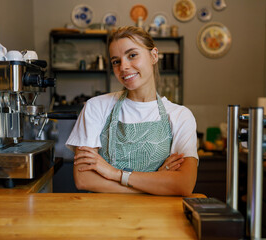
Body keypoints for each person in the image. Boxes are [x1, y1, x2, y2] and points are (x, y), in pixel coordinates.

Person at [66, 26, 198, 196]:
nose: (124, 67)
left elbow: (184, 185)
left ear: (154, 55)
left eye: (132, 55)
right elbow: (84, 179)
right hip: (102, 216)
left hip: (158, 217)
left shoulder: (181, 116)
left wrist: (115, 174)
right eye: (116, 61)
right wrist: (156, 181)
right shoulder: (95, 107)